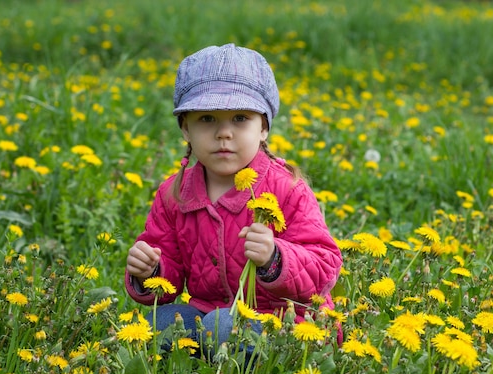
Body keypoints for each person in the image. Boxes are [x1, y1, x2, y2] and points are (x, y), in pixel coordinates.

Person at [124, 43, 342, 353]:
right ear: (185, 128)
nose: (223, 133)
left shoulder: (286, 188)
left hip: (284, 323)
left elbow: (325, 266)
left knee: (224, 326)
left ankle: (227, 371)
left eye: (240, 118)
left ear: (263, 127)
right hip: (209, 313)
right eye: (207, 119)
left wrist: (275, 258)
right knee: (154, 325)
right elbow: (167, 271)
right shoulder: (174, 193)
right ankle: (197, 372)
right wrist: (149, 271)